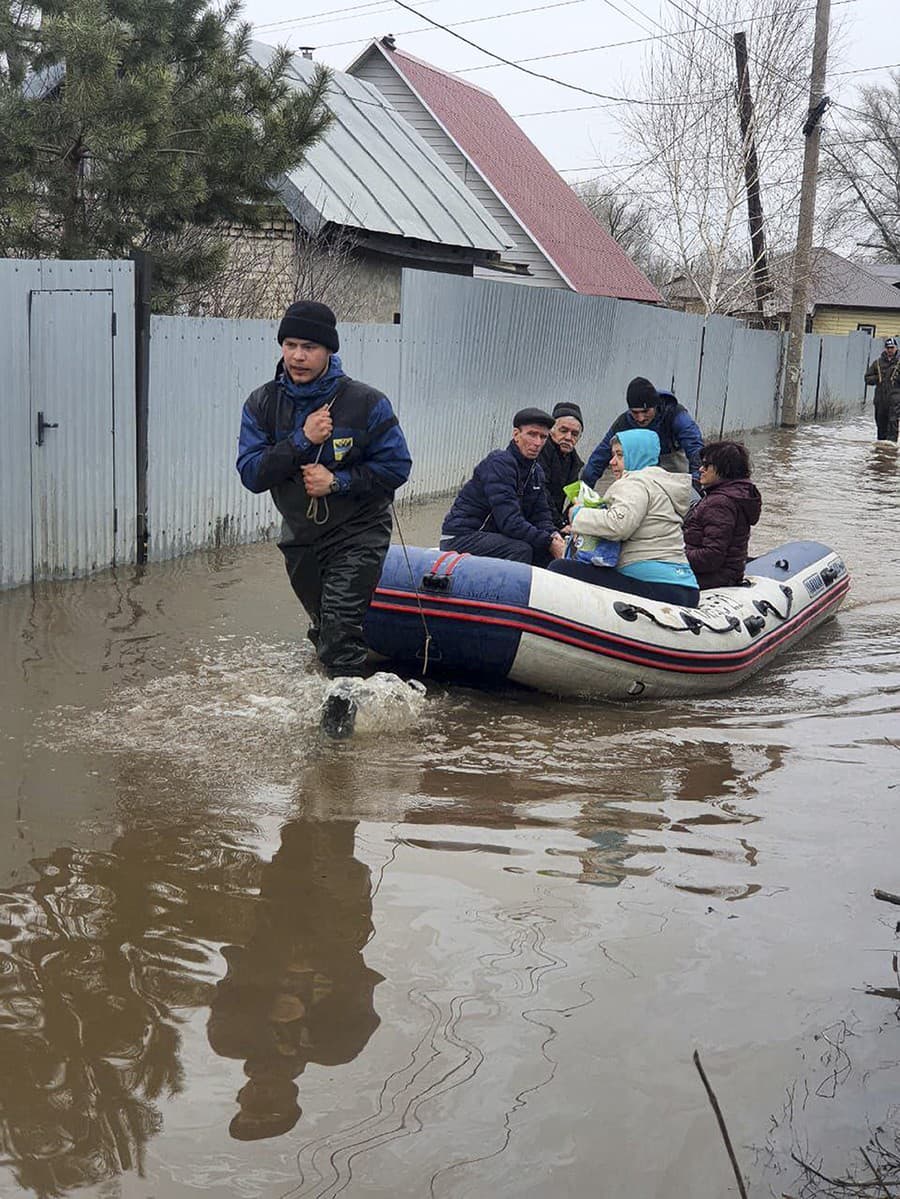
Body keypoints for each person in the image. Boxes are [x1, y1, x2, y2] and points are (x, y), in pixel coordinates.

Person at [236, 301, 412, 680]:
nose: (298, 356)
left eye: (310, 347)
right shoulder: (262, 404)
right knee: (323, 629)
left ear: (329, 350)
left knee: (340, 638)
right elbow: (251, 474)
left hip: (358, 534)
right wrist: (301, 440)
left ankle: (339, 734)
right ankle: (339, 702)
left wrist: (338, 482)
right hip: (301, 539)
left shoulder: (366, 403)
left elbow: (397, 467)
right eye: (291, 345)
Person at [548, 428, 699, 607]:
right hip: (685, 587)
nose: (612, 462)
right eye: (613, 455)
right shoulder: (661, 484)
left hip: (654, 586)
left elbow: (618, 525)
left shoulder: (634, 483)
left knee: (560, 568)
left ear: (637, 454)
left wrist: (578, 514)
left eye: (620, 455)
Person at [440, 407, 566, 566]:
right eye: (532, 434)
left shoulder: (536, 472)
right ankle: (507, 591)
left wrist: (554, 536)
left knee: (545, 551)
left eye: (543, 437)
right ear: (516, 435)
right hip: (462, 536)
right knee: (521, 549)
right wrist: (548, 542)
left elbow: (541, 516)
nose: (537, 442)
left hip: (492, 536)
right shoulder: (499, 464)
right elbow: (509, 522)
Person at [582, 377, 704, 486]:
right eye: (635, 412)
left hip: (672, 464)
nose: (640, 418)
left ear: (655, 406)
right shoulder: (624, 422)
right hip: (639, 469)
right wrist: (583, 491)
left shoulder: (676, 415)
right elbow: (599, 456)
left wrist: (697, 482)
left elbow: (695, 449)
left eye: (645, 412)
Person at [683, 441, 761, 589]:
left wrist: (670, 556)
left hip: (714, 578)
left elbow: (711, 557)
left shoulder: (720, 503)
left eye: (706, 466)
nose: (700, 469)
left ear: (724, 469)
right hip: (729, 573)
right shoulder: (737, 495)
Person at [538, 402, 585, 531]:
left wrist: (566, 522)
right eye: (563, 431)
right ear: (551, 431)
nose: (568, 437)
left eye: (574, 434)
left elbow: (574, 498)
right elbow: (542, 493)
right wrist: (559, 524)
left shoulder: (574, 462)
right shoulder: (540, 453)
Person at [864, 335, 900, 442]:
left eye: (892, 348)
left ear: (896, 348)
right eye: (888, 348)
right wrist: (877, 379)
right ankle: (881, 452)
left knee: (893, 424)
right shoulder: (878, 363)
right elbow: (867, 378)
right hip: (880, 400)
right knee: (881, 426)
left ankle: (891, 451)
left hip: (895, 401)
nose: (890, 350)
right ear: (885, 349)